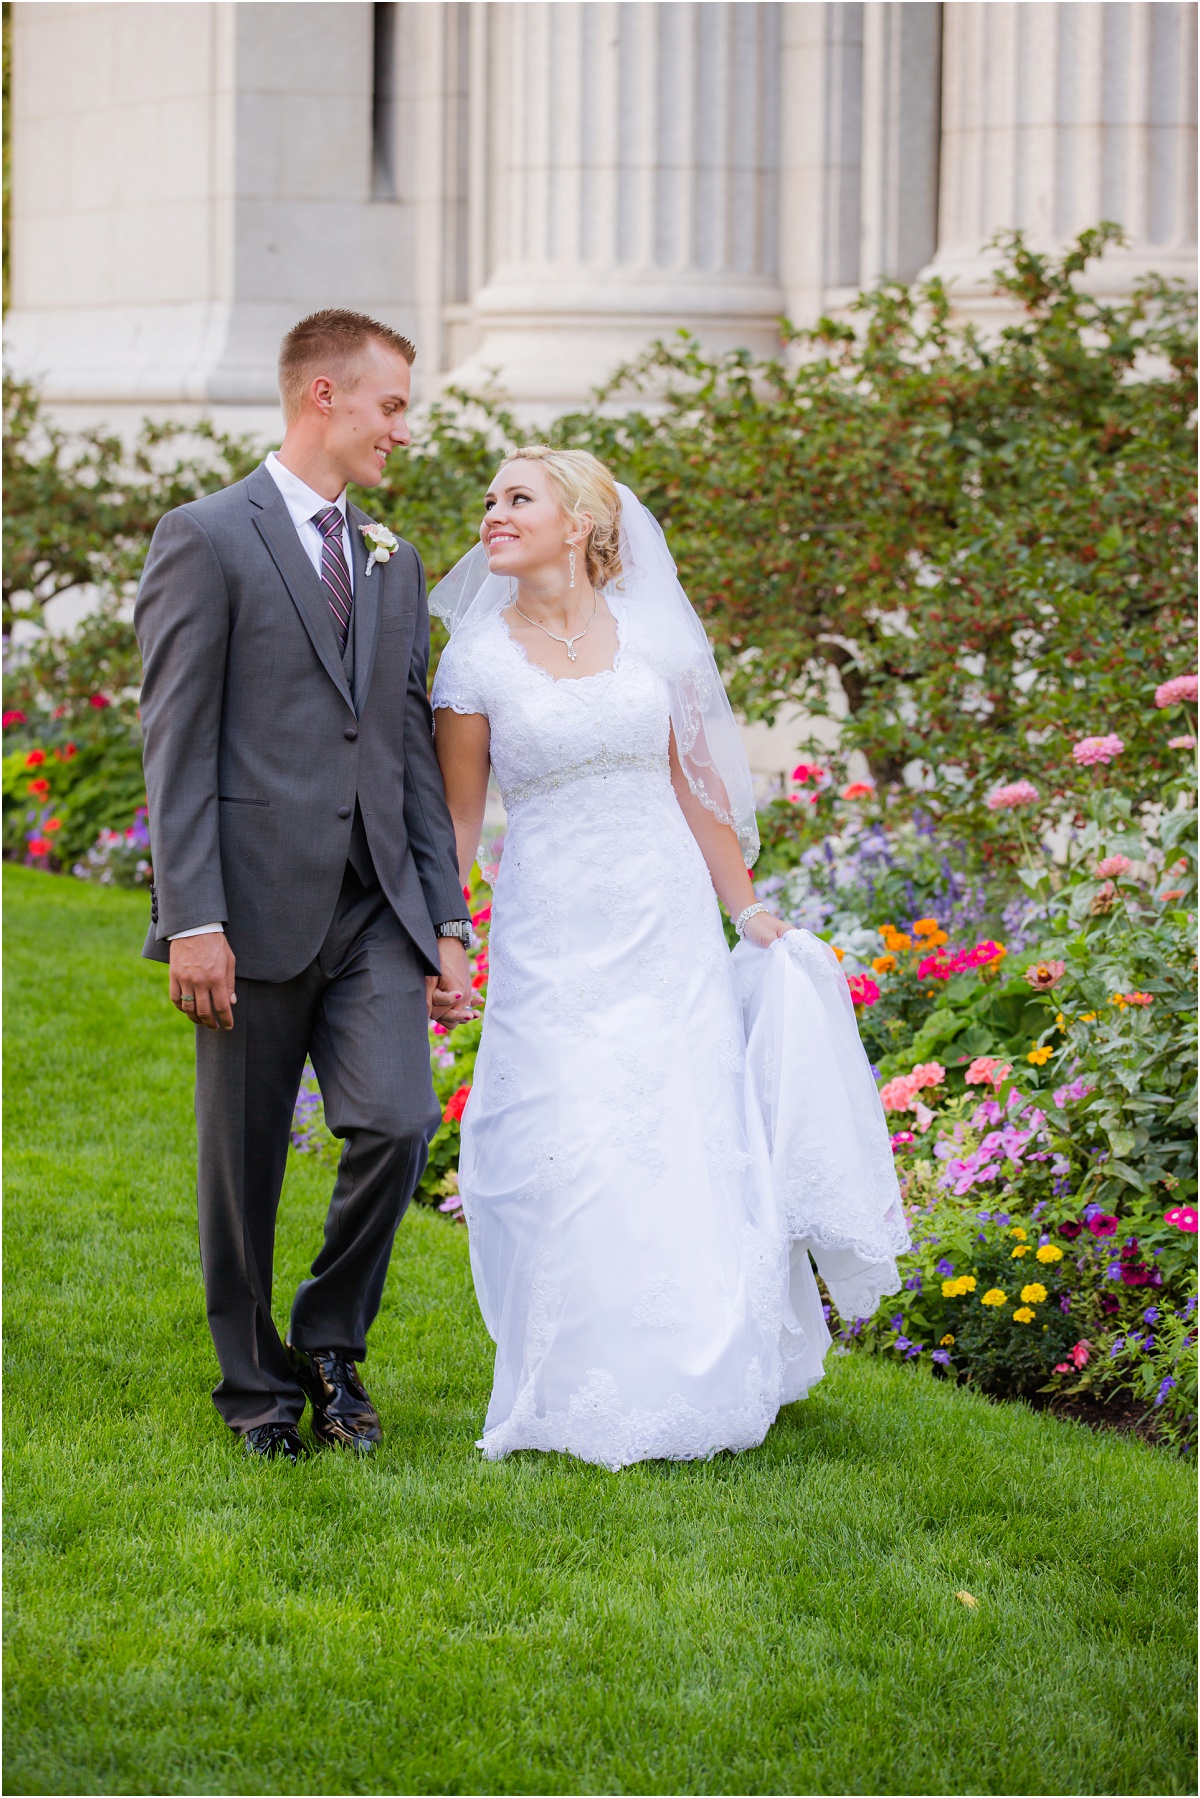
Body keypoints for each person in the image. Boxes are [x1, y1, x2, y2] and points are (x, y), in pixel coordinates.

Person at [430, 448, 910, 1471]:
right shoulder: (473, 663)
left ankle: (695, 1370)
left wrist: (749, 911)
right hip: (550, 925)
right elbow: (456, 822)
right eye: (489, 501)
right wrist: (448, 935)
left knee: (675, 1128)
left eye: (519, 498)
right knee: (555, 1136)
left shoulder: (655, 639)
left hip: (665, 919)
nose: (493, 514)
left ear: (583, 522)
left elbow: (697, 788)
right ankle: (564, 1377)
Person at [135, 309, 475, 1462]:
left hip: (373, 905)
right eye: (391, 404)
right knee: (241, 1164)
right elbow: (175, 744)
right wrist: (194, 917)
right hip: (247, 907)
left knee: (399, 1119)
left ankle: (331, 1340)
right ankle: (256, 1391)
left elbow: (409, 757)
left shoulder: (394, 557)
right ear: (322, 395)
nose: (403, 429)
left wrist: (446, 918)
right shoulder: (206, 537)